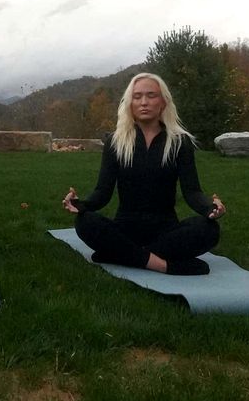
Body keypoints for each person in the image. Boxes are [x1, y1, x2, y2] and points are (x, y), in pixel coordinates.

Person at [62, 72, 226, 275]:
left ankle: (120, 255)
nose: (144, 102)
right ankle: (164, 265)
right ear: (130, 103)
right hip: (125, 229)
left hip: (166, 231)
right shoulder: (115, 141)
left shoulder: (180, 142)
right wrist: (81, 204)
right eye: (137, 96)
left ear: (163, 102)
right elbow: (102, 192)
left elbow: (192, 192)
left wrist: (210, 209)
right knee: (85, 222)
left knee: (209, 229)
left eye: (151, 95)